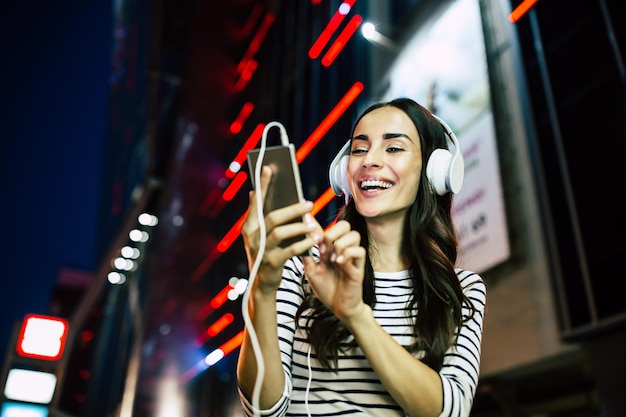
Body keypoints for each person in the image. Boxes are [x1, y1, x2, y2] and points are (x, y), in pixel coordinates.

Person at [237, 97, 486, 417]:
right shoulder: (302, 266)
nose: (370, 160)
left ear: (435, 170)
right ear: (344, 172)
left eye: (393, 148)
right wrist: (264, 286)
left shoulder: (462, 288)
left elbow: (451, 411)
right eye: (358, 149)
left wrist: (355, 314)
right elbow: (263, 409)